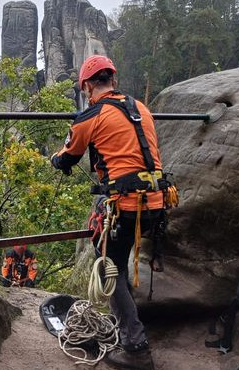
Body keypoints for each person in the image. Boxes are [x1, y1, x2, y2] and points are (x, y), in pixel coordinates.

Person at [50, 55, 168, 370]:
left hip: (127, 206)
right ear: (113, 80)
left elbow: (68, 157)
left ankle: (136, 346)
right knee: (118, 259)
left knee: (109, 268)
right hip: (156, 203)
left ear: (88, 85)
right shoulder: (140, 108)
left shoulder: (90, 115)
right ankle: (128, 326)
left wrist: (55, 158)